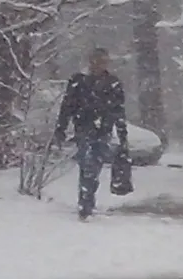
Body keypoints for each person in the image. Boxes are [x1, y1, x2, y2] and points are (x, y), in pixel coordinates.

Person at [54, 48, 129, 220]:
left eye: (103, 61)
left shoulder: (113, 83)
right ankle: (85, 201)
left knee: (94, 165)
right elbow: (67, 106)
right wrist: (61, 128)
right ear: (90, 62)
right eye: (97, 61)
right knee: (86, 164)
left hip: (103, 130)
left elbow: (119, 111)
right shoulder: (78, 81)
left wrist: (122, 135)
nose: (99, 65)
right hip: (84, 128)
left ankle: (88, 197)